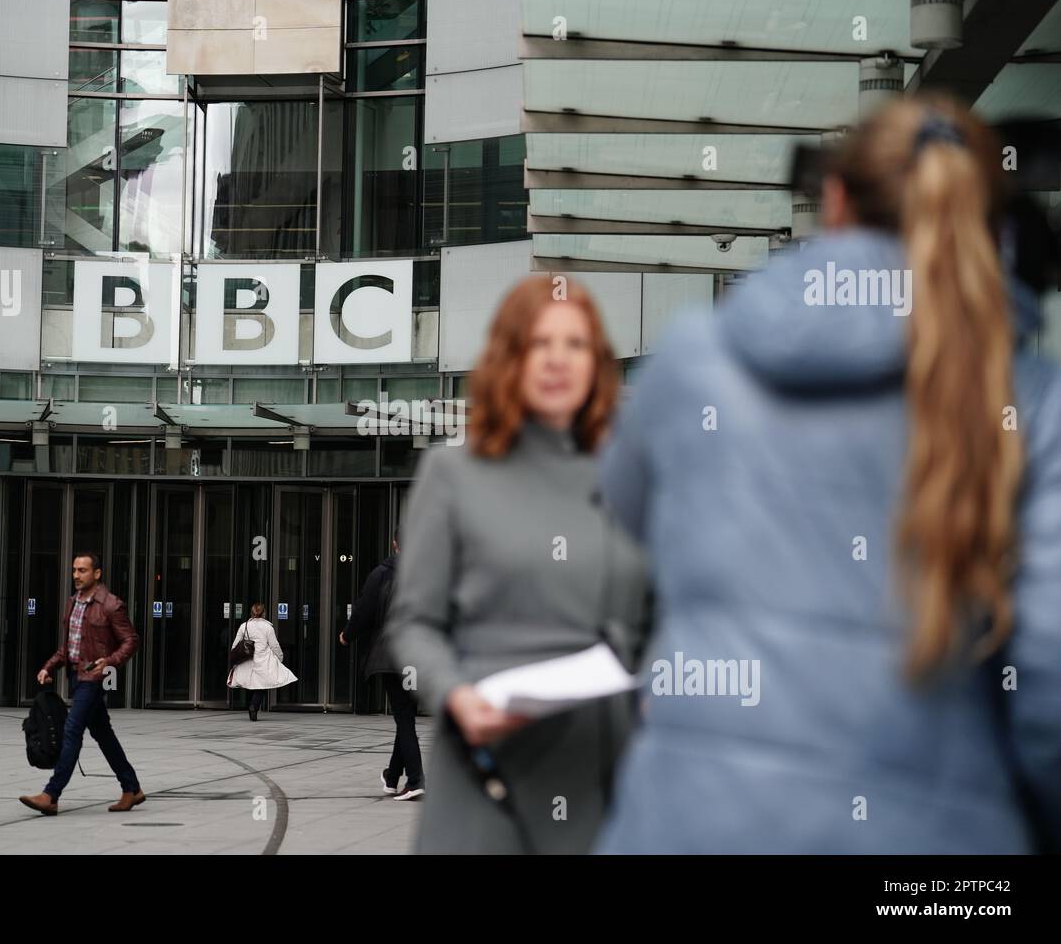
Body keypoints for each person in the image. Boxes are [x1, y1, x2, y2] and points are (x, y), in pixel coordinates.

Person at [596, 95, 1061, 853]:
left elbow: (624, 509)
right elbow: (1050, 670)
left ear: (835, 200)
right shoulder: (1031, 398)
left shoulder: (693, 359)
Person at [386, 275, 649, 853]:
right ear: (510, 357)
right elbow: (415, 623)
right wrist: (455, 693)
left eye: (575, 344)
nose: (558, 360)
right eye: (539, 344)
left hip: (609, 772)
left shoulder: (632, 473)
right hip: (489, 767)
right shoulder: (453, 473)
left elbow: (673, 613)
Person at [19, 553, 142, 816]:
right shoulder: (72, 603)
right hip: (76, 676)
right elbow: (69, 646)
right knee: (103, 734)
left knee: (72, 731)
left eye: (83, 570)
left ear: (97, 573)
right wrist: (48, 666)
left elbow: (131, 641)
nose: (76, 575)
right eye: (74, 570)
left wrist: (108, 662)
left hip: (94, 678)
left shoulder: (111, 605)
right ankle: (131, 788)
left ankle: (51, 795)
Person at [340, 529, 424, 801]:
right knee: (406, 717)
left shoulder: (382, 573)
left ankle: (415, 780)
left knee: (404, 718)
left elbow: (364, 610)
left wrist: (347, 635)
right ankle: (392, 777)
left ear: (395, 544)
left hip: (392, 655)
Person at [228, 603, 297, 719]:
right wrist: (280, 657)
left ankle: (252, 706)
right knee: (262, 685)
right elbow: (274, 645)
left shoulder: (244, 626)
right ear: (264, 613)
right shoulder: (268, 627)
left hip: (248, 659)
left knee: (252, 683)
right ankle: (253, 707)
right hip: (263, 659)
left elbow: (235, 644)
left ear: (251, 613)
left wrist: (235, 657)